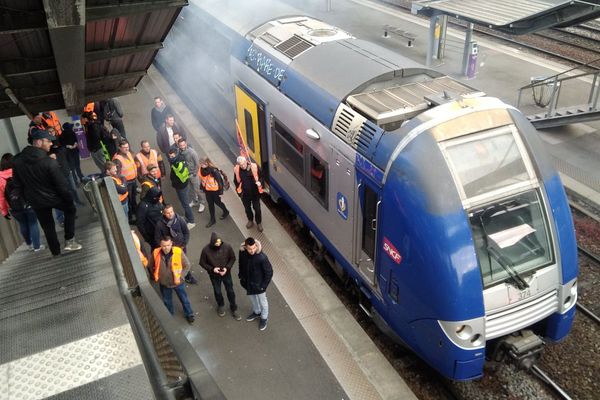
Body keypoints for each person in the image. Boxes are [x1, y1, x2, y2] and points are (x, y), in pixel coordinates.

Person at [12, 129, 82, 256]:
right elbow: (61, 185)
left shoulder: (17, 162)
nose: (51, 144)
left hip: (35, 201)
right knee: (70, 209)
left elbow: (17, 184)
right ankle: (69, 241)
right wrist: (68, 199)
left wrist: (26, 199)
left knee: (47, 225)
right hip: (54, 197)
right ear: (38, 142)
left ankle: (55, 252)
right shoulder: (49, 162)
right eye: (48, 141)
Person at [0, 153, 43, 252]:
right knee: (33, 223)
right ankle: (37, 247)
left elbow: (1, 197)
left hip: (13, 206)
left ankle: (29, 244)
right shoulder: (20, 171)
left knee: (23, 224)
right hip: (28, 203)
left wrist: (4, 212)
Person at [148, 236, 195, 324]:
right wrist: (155, 275)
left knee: (184, 299)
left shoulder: (178, 251)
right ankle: (170, 316)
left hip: (178, 283)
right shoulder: (155, 252)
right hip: (164, 283)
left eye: (168, 245)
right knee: (167, 301)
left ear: (171, 244)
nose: (166, 248)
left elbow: (187, 265)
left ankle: (189, 314)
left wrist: (181, 276)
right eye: (164, 246)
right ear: (160, 245)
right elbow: (150, 265)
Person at [154, 203, 198, 284]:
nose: (170, 214)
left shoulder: (180, 219)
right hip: (169, 250)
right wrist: (165, 248)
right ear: (164, 213)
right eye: (168, 213)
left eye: (171, 212)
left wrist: (183, 244)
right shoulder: (160, 224)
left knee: (184, 262)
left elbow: (186, 232)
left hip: (181, 247)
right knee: (172, 264)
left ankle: (187, 276)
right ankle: (173, 278)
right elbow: (157, 238)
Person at [200, 232, 240, 320]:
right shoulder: (206, 250)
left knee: (230, 291)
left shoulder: (227, 247)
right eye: (216, 242)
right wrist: (212, 269)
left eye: (219, 242)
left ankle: (233, 308)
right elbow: (202, 263)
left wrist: (227, 268)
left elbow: (232, 258)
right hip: (214, 275)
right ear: (212, 242)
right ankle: (220, 305)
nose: (218, 244)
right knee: (217, 291)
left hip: (226, 273)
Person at [238, 237, 272, 331]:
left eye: (254, 248)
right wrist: (241, 276)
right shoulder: (242, 253)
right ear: (245, 247)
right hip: (248, 282)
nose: (252, 250)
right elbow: (240, 264)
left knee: (263, 301)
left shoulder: (262, 257)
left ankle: (264, 318)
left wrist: (263, 286)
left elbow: (269, 272)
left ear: (256, 246)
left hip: (259, 284)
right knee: (253, 299)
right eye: (250, 249)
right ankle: (257, 312)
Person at [234, 156, 264, 232]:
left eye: (244, 164)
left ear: (246, 161)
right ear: (238, 165)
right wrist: (239, 193)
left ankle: (259, 223)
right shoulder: (237, 170)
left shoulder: (254, 167)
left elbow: (262, 177)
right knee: (247, 209)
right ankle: (250, 220)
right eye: (241, 165)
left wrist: (259, 182)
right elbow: (236, 182)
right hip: (245, 194)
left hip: (255, 194)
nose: (243, 166)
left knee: (257, 209)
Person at [167, 148, 195, 229]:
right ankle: (187, 217)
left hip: (180, 186)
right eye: (170, 156)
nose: (171, 157)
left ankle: (191, 221)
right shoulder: (180, 158)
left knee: (185, 204)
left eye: (172, 156)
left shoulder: (176, 163)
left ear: (176, 154)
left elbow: (175, 175)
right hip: (183, 184)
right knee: (184, 202)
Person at [113, 139, 138, 224]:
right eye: (124, 148)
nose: (127, 149)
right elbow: (117, 174)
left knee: (133, 199)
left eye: (127, 147)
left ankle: (136, 214)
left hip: (133, 181)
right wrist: (123, 184)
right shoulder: (117, 159)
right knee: (129, 201)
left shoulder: (128, 153)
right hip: (127, 183)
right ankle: (130, 218)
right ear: (119, 148)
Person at [177, 138, 205, 213]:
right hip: (185, 174)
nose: (182, 147)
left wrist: (194, 173)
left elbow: (197, 164)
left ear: (186, 144)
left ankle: (202, 203)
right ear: (178, 145)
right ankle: (195, 201)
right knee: (191, 189)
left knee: (197, 190)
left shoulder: (192, 152)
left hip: (193, 174)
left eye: (183, 145)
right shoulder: (179, 152)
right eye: (180, 145)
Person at [199, 157, 229, 228]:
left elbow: (220, 182)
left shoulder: (214, 171)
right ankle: (212, 219)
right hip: (207, 190)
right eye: (201, 164)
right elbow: (202, 179)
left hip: (215, 191)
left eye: (204, 164)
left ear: (207, 163)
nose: (202, 165)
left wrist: (220, 192)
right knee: (210, 204)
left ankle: (225, 211)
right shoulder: (201, 169)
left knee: (218, 202)